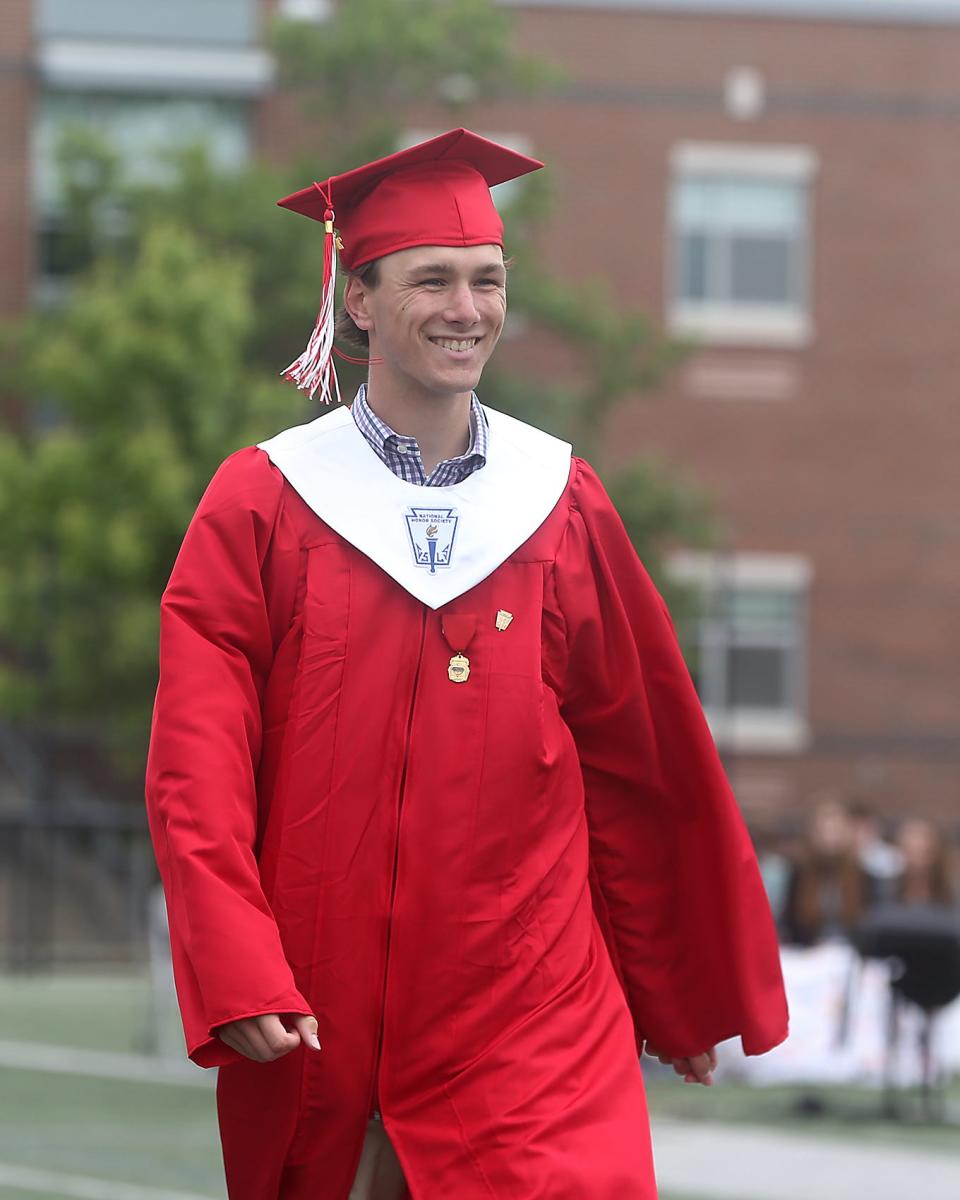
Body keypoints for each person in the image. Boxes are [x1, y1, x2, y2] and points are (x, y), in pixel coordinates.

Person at [145, 129, 788, 1200]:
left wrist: (671, 987)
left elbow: (643, 759)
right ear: (358, 301)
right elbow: (196, 770)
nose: (466, 309)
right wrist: (235, 961)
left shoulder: (558, 501)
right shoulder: (263, 503)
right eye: (431, 280)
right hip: (322, 1013)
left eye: (487, 280)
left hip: (530, 1011)